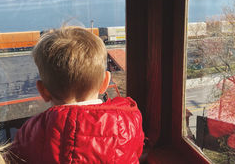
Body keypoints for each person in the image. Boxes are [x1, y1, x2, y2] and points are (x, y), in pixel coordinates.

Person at [10, 27, 144, 163]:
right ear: (105, 83)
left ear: (43, 91)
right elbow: (136, 152)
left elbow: (13, 158)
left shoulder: (31, 130)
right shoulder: (128, 121)